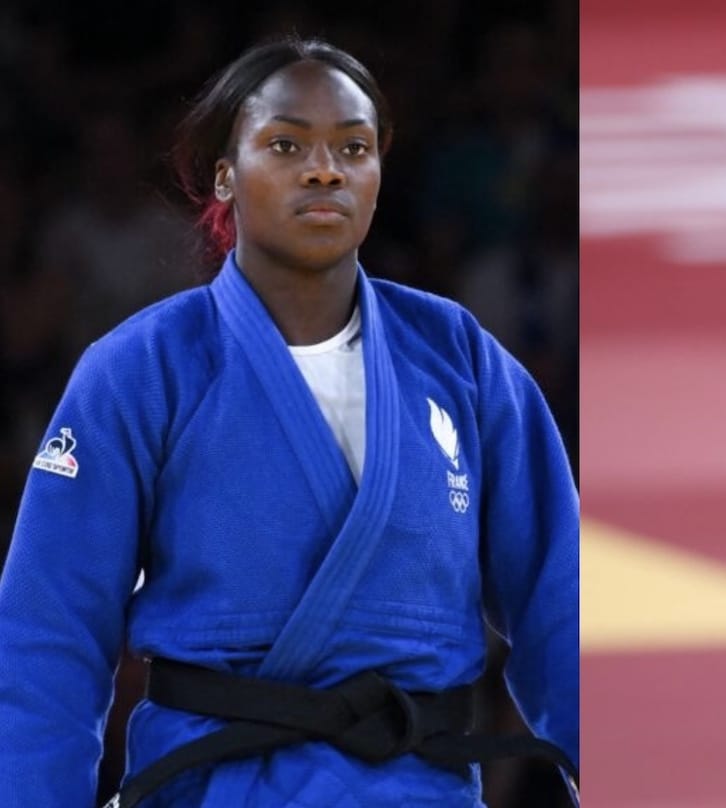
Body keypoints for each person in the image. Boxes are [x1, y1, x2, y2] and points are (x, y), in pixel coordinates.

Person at [0, 36, 579, 807]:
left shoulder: (458, 360)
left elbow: (563, 609)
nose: (324, 169)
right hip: (219, 789)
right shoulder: (142, 369)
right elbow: (49, 638)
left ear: (377, 175)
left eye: (354, 147)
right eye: (286, 144)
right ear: (225, 174)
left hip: (416, 791)